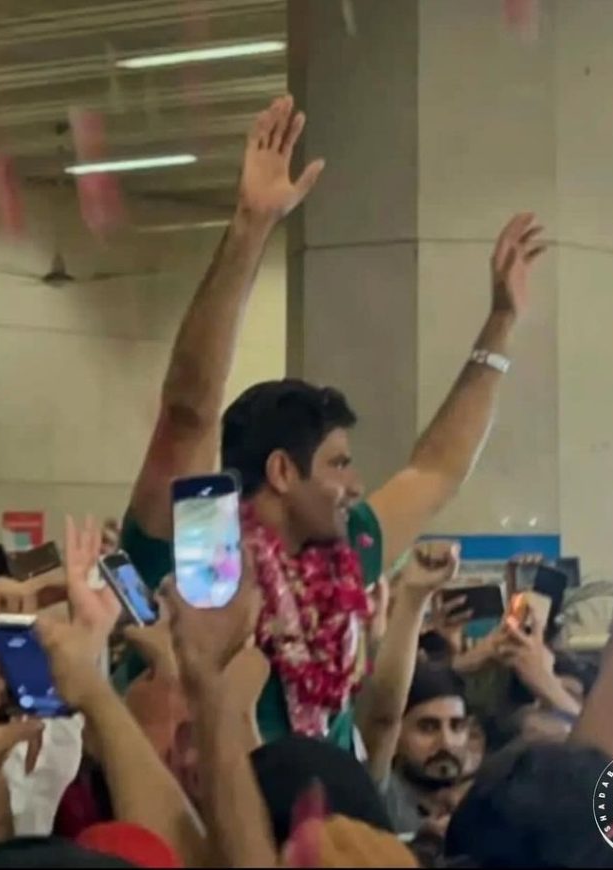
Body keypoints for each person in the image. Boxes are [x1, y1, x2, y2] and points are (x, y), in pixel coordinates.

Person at [122, 93, 547, 749]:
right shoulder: (204, 553)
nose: (355, 485)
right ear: (283, 471)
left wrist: (501, 325)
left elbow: (436, 468)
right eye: (339, 463)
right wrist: (251, 227)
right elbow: (188, 412)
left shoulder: (343, 553)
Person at [380, 662, 471, 839]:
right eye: (428, 728)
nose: (446, 743)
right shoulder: (380, 802)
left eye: (456, 726)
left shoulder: (485, 803)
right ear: (396, 734)